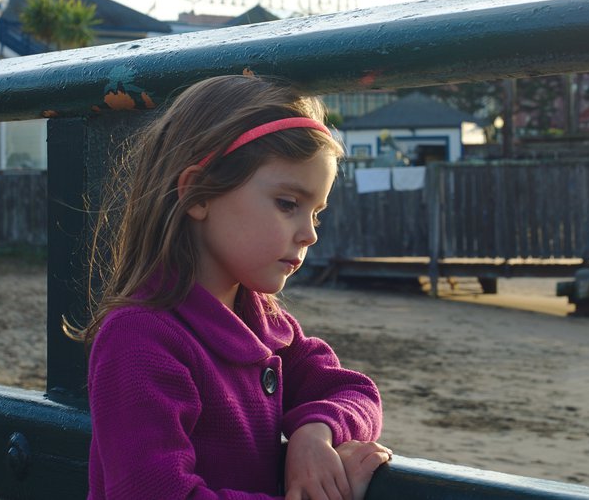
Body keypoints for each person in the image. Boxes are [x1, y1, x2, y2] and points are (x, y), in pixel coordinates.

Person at [77, 73, 390, 499]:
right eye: (288, 204)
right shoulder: (140, 338)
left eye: (316, 213)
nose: (309, 234)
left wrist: (314, 433)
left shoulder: (266, 327)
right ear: (198, 194)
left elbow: (354, 390)